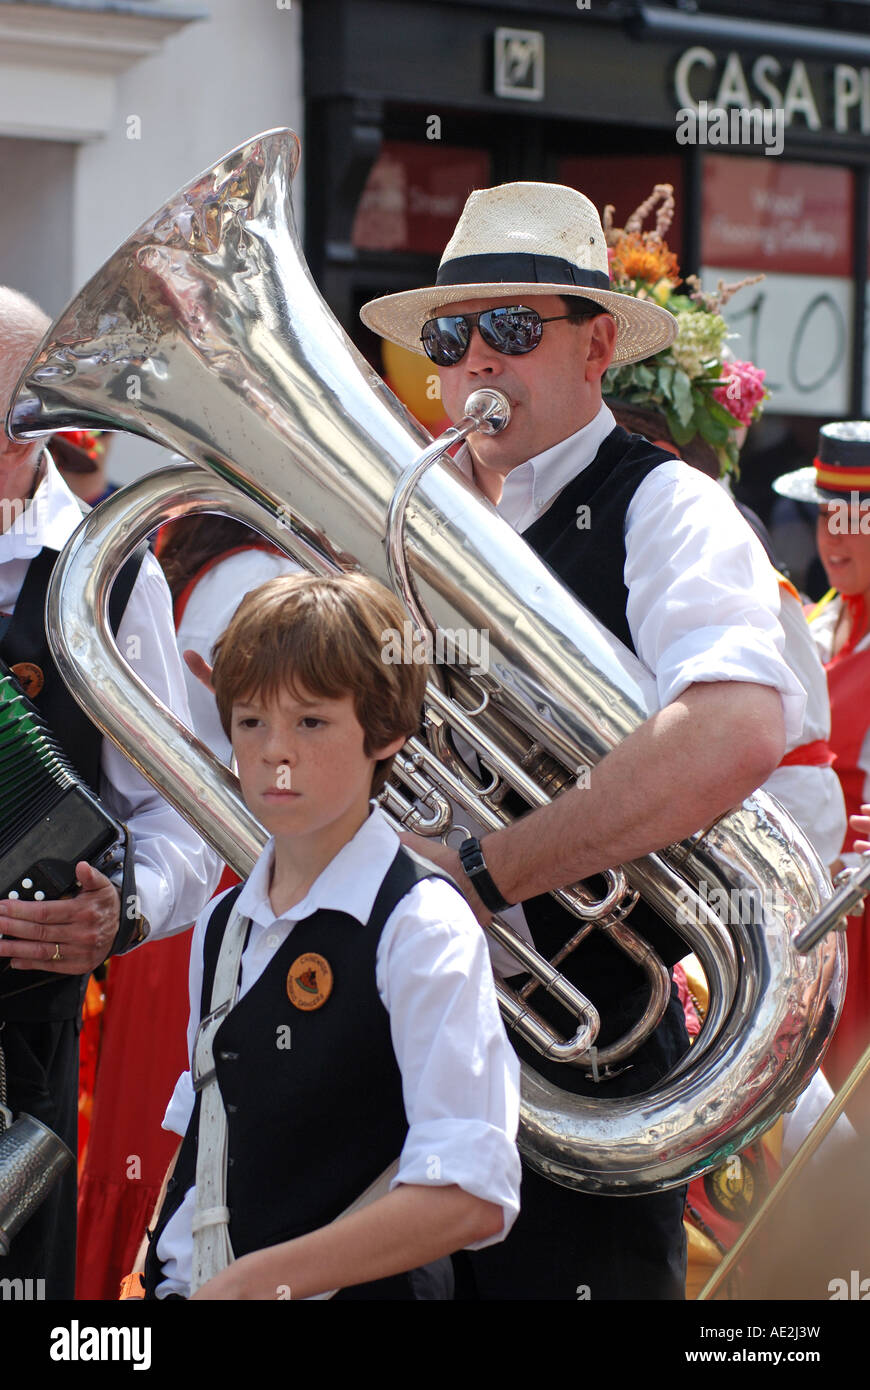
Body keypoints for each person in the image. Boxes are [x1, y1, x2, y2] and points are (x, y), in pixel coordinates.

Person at [359, 181, 807, 1300]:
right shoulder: (419, 515)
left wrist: (485, 869)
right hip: (404, 1049)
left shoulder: (669, 509)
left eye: (513, 332)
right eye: (452, 340)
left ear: (598, 342)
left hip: (588, 1052)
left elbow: (738, 726)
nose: (475, 367)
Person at [140, 572, 520, 1300]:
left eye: (311, 723)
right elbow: (208, 1151)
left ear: (387, 734)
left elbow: (472, 1192)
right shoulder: (223, 922)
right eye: (251, 722)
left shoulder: (421, 923)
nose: (275, 755)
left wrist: (259, 1282)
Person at [0, 285, 222, 1299]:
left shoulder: (114, 572)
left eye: (18, 411)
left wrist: (119, 910)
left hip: (21, 1040)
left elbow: (179, 818)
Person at [76, 515, 298, 1300]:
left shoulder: (227, 567)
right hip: (225, 897)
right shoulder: (262, 578)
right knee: (164, 1151)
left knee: (135, 1148)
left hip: (183, 900)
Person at [774, 423, 870, 1123]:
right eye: (826, 514)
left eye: (858, 519)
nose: (834, 539)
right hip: (805, 905)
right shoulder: (809, 621)